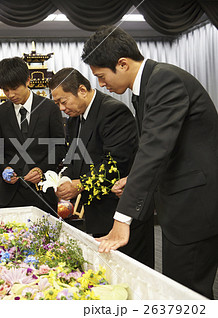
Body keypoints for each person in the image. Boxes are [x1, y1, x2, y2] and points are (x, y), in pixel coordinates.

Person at [82, 25, 218, 298]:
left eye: (101, 76)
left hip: (193, 209)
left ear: (122, 64)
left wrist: (122, 217)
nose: (101, 84)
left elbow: (154, 149)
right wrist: (132, 180)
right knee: (178, 288)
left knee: (187, 295)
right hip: (179, 207)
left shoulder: (165, 80)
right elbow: (169, 148)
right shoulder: (148, 86)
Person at [49, 67, 154, 268]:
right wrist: (64, 180)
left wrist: (79, 186)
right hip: (97, 212)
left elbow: (116, 165)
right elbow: (73, 157)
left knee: (131, 272)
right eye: (57, 104)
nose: (61, 108)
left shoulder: (112, 111)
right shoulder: (74, 120)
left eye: (63, 101)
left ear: (81, 90)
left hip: (121, 209)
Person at [0, 57, 66, 216]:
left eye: (14, 88)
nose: (10, 94)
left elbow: (59, 147)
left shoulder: (50, 108)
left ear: (28, 80)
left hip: (42, 192)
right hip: (10, 193)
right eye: (5, 90)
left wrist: (41, 169)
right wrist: (4, 169)